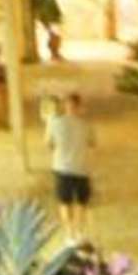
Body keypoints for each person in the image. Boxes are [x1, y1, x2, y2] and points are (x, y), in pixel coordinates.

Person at [43, 92, 95, 241]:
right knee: (81, 202)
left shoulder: (55, 123)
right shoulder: (86, 125)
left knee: (64, 202)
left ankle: (69, 232)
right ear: (79, 107)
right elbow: (92, 143)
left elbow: (48, 144)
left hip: (61, 168)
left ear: (65, 106)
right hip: (81, 168)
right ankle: (79, 231)